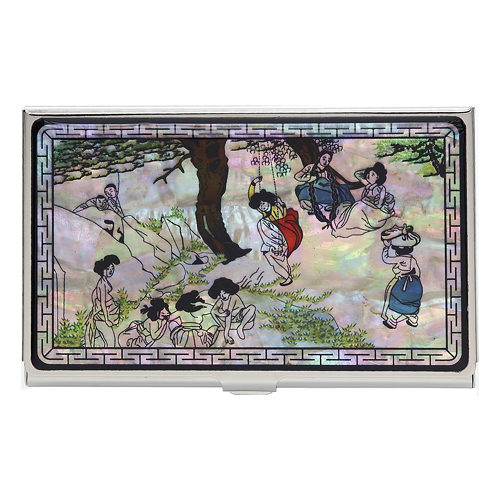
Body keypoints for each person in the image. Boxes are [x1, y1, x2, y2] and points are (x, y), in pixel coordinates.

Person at [249, 176, 303, 286]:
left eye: (263, 203)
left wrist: (281, 204)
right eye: (260, 205)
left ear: (269, 201)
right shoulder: (264, 212)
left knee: (262, 223)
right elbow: (251, 197)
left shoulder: (276, 209)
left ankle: (279, 251)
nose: (262, 207)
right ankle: (287, 276)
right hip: (275, 238)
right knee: (271, 257)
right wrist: (253, 183)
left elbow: (283, 217)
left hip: (284, 234)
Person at [294, 150, 358, 229]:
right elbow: (297, 176)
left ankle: (330, 206)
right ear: (319, 157)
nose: (325, 161)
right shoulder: (311, 167)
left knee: (343, 190)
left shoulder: (328, 172)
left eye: (328, 160)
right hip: (313, 187)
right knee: (304, 192)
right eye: (324, 158)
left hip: (325, 189)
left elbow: (329, 183)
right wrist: (311, 178)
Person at [332, 162, 395, 238]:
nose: (368, 176)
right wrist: (368, 175)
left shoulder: (381, 188)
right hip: (365, 206)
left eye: (372, 175)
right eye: (368, 175)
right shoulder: (367, 186)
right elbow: (357, 174)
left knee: (358, 208)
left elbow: (380, 203)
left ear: (378, 177)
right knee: (355, 209)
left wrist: (373, 201)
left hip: (373, 210)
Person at [380, 224, 423, 329]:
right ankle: (413, 318)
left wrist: (386, 247)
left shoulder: (402, 258)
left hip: (403, 284)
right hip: (414, 284)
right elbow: (418, 272)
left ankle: (392, 321)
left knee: (395, 300)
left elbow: (386, 259)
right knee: (410, 303)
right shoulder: (411, 259)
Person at [84, 255, 121, 348]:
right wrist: (107, 320)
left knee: (110, 342)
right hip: (102, 315)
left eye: (112, 268)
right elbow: (103, 303)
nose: (111, 271)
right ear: (102, 270)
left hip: (105, 313)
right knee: (110, 342)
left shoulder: (104, 281)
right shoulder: (102, 284)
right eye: (108, 269)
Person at [208, 278, 256, 345]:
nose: (222, 296)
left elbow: (229, 317)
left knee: (252, 308)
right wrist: (221, 315)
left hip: (241, 316)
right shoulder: (220, 300)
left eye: (224, 293)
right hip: (229, 319)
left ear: (229, 291)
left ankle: (240, 327)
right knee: (217, 314)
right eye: (220, 294)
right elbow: (213, 312)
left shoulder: (233, 298)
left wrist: (226, 335)